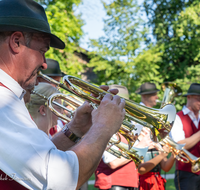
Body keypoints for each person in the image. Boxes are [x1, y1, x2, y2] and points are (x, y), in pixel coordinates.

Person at [0, 1, 125, 190]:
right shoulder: (3, 101)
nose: (44, 63)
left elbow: (38, 161)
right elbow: (62, 180)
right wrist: (103, 127)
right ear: (16, 42)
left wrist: (74, 130)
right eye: (42, 51)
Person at [94, 85, 152, 190]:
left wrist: (143, 141)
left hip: (131, 183)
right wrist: (139, 147)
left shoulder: (127, 126)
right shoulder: (105, 126)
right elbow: (113, 162)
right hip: (114, 185)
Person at [136, 82, 175, 190]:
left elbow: (165, 167)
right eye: (154, 94)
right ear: (144, 96)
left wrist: (172, 155)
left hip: (157, 181)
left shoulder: (155, 116)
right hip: (143, 182)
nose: (157, 97)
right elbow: (141, 169)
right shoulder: (138, 117)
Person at [170, 83, 200, 190]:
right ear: (189, 97)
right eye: (198, 99)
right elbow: (180, 145)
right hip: (186, 172)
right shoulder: (177, 117)